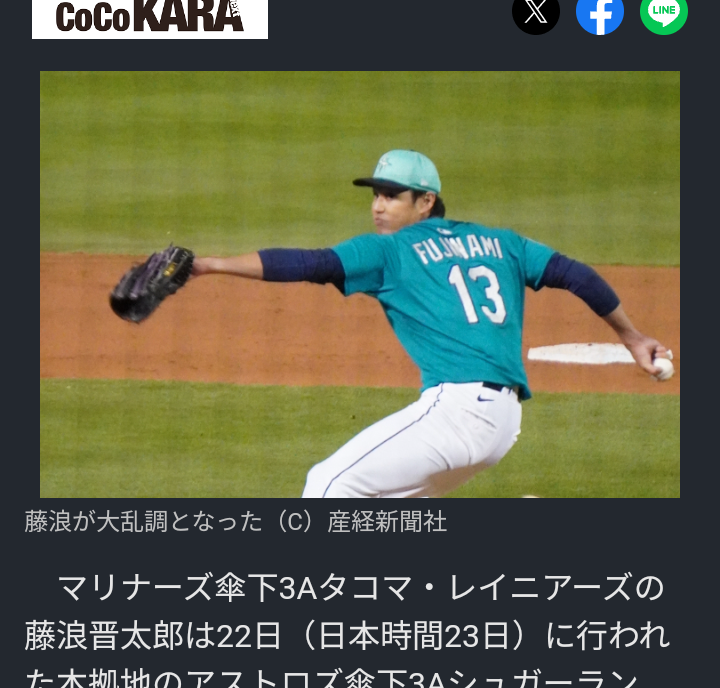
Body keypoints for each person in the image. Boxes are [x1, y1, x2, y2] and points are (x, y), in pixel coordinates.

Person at [190, 150, 670, 498]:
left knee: (329, 486)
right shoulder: (503, 243)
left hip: (457, 411)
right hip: (503, 424)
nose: (378, 206)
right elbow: (576, 275)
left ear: (426, 201)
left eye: (392, 196)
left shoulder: (389, 251)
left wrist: (210, 264)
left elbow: (308, 264)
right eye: (376, 196)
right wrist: (632, 337)